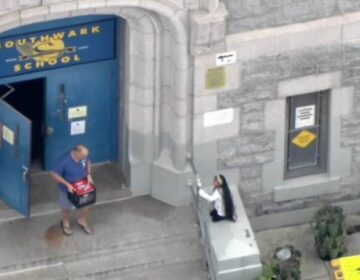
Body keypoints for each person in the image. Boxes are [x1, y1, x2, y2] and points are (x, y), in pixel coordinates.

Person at [51, 145, 94, 236]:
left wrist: (89, 174)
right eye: (82, 156)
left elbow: (88, 162)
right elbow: (55, 174)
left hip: (82, 185)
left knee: (88, 204)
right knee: (66, 207)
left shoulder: (83, 157)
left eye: (85, 156)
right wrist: (67, 184)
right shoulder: (64, 161)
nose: (84, 158)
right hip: (68, 189)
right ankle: (65, 222)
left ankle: (81, 219)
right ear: (76, 152)